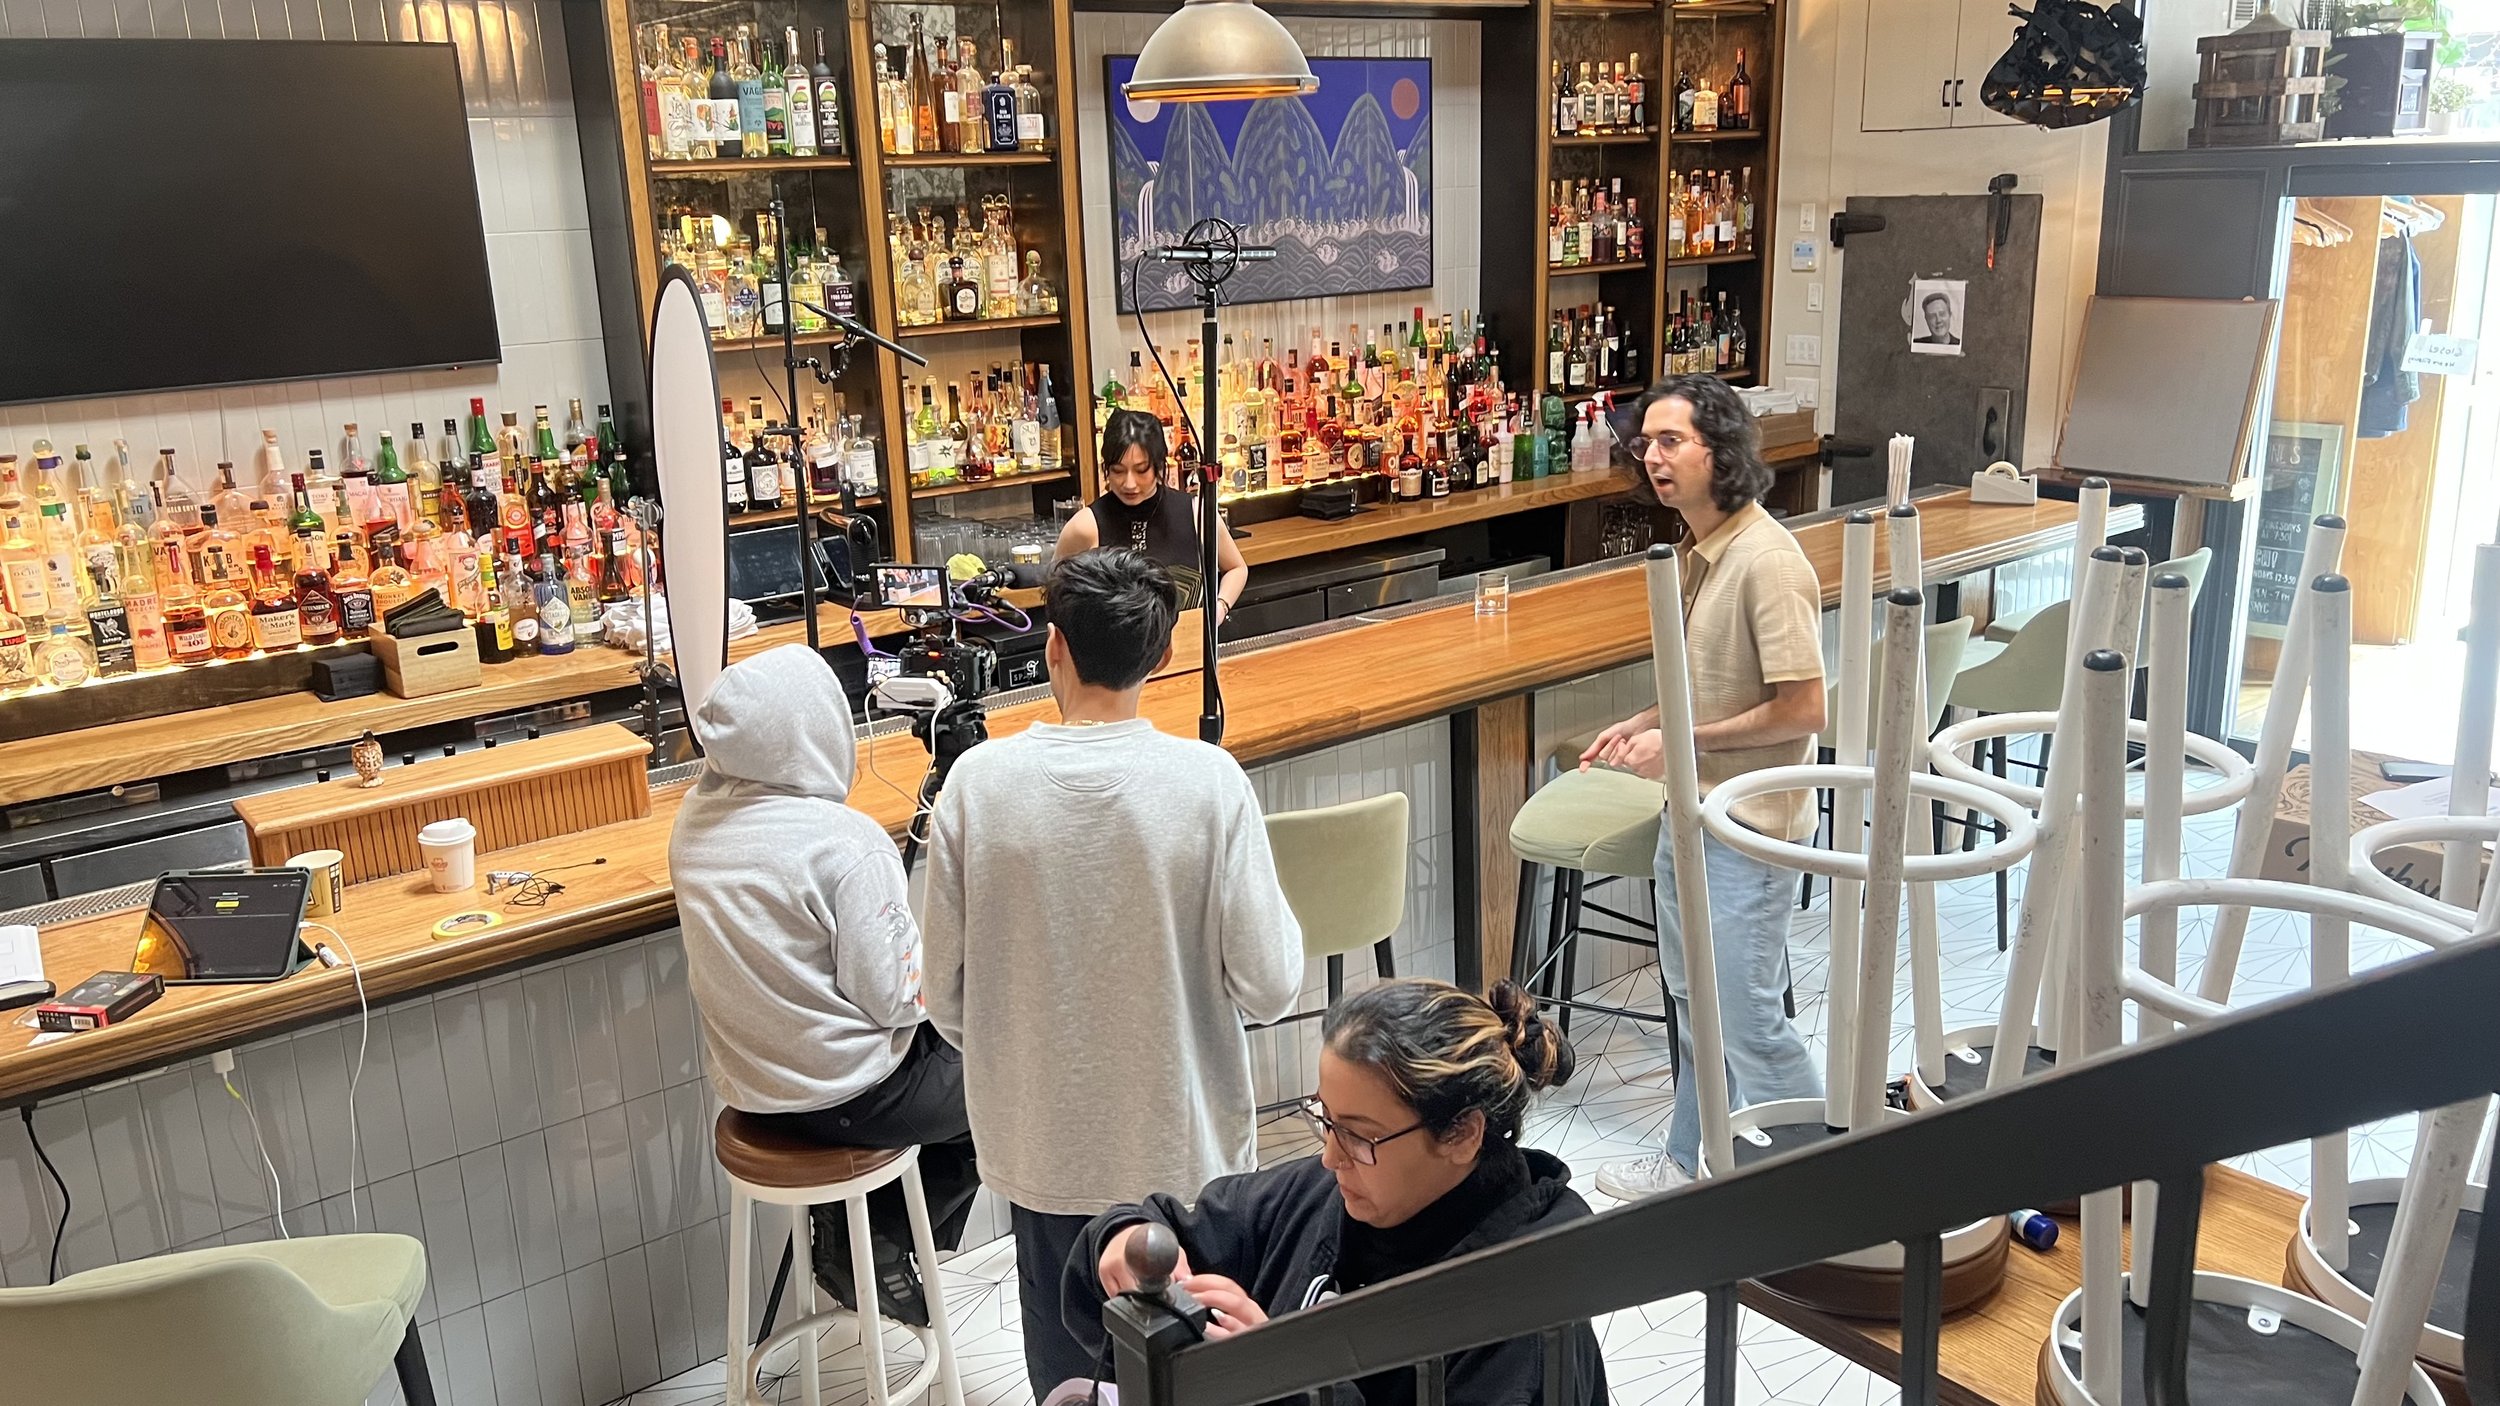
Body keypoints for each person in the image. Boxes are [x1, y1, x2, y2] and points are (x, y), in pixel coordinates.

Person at [920, 547, 1304, 1397]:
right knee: (1198, 1383)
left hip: (1044, 1154)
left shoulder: (975, 786)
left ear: (1052, 645)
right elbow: (1273, 984)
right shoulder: (1208, 784)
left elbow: (942, 996)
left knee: (1071, 1387)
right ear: (1162, 658)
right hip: (1186, 1159)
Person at [1059, 979, 1606, 1406]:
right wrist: (1122, 1239)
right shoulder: (1329, 1195)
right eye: (1327, 1119)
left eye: (1360, 1135)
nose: (1330, 1156)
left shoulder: (1525, 1320)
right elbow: (1164, 1227)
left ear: (1462, 1134)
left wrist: (1287, 1378)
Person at [668, 643, 978, 1325]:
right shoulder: (846, 845)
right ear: (816, 730)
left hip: (753, 1088)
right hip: (850, 1094)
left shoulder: (692, 826)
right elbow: (896, 999)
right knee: (1003, 1084)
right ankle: (883, 1240)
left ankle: (852, 1227)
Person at [1583, 374, 1827, 1197]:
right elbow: (1711, 689)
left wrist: (1679, 741)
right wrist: (1644, 721)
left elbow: (1803, 709)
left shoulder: (1766, 561)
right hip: (1691, 817)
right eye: (1644, 443)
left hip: (1748, 828)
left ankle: (1831, 1186)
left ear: (1719, 451)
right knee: (1695, 1008)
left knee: (1747, 1020)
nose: (1651, 457)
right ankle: (1687, 1163)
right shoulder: (1699, 552)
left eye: (1670, 441)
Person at [1054, 409, 1249, 629]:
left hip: (1188, 642)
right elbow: (1057, 594)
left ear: (1159, 465)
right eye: (1118, 471)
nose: (1129, 483)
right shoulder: (1084, 526)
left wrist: (1220, 607)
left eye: (1141, 470)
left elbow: (1236, 568)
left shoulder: (1196, 512)